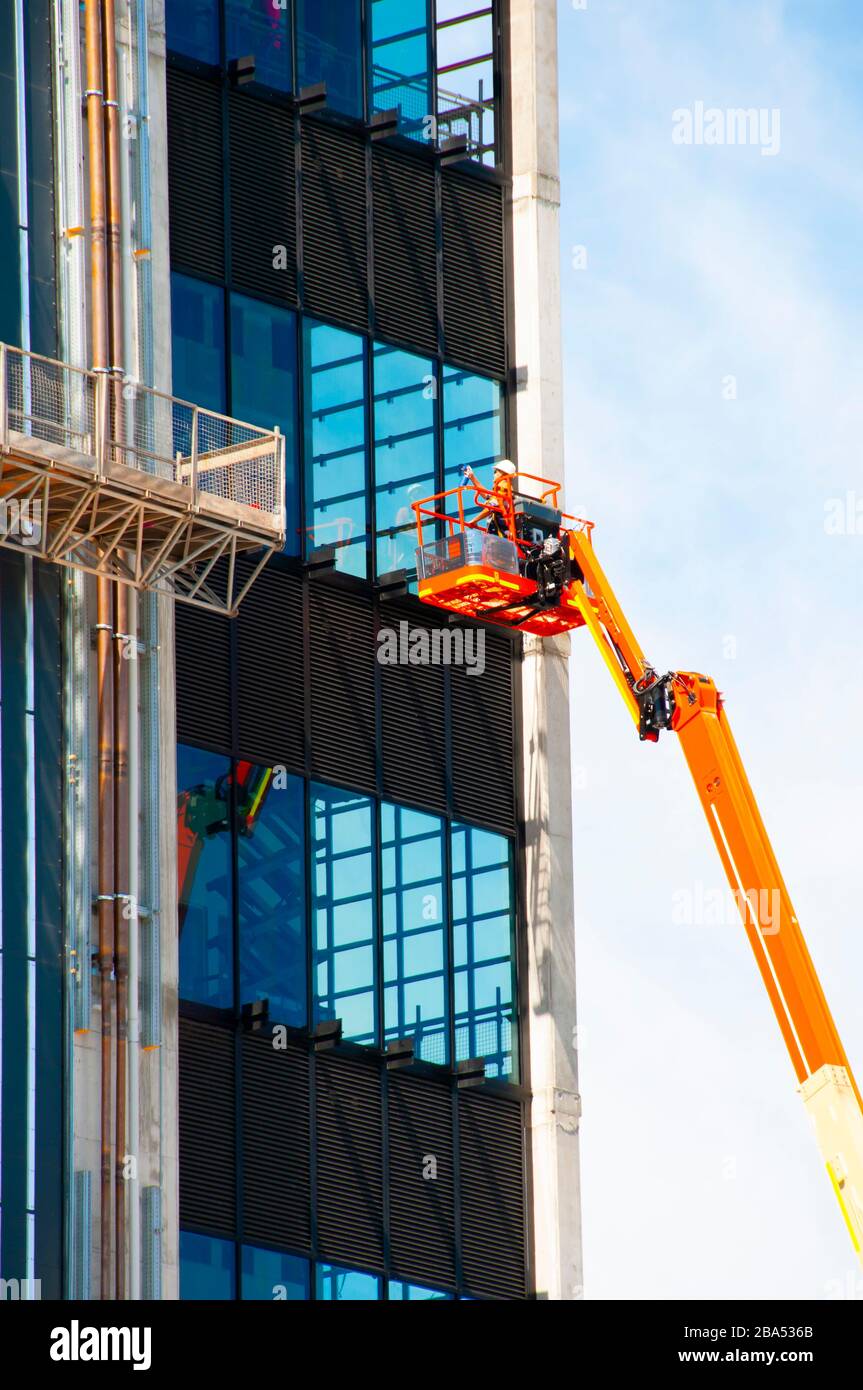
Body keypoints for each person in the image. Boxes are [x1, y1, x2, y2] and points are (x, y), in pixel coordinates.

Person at [462, 459, 517, 537]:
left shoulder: (503, 486)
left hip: (501, 536)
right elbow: (487, 496)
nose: (493, 474)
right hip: (499, 535)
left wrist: (474, 520)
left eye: (495, 472)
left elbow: (491, 506)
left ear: (502, 473)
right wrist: (472, 477)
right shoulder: (503, 488)